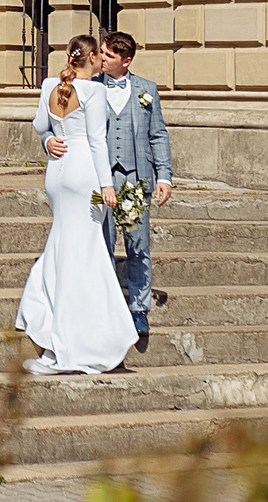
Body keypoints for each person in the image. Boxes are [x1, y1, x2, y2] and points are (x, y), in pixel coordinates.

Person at [15, 35, 139, 375]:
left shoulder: (50, 85)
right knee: (85, 254)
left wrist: (49, 139)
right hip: (85, 175)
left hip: (56, 173)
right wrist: (107, 186)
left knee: (65, 246)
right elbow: (98, 141)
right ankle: (76, 339)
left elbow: (40, 125)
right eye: (99, 53)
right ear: (91, 59)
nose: (103, 58)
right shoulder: (94, 91)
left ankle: (50, 323)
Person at [43, 29, 172, 352]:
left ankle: (139, 309)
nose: (102, 57)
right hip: (96, 181)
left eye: (109, 54)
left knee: (138, 244)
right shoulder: (84, 86)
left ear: (125, 61)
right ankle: (105, 307)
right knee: (100, 242)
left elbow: (158, 134)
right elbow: (50, 123)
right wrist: (48, 142)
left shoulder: (147, 90)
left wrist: (165, 176)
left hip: (135, 179)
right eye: (101, 52)